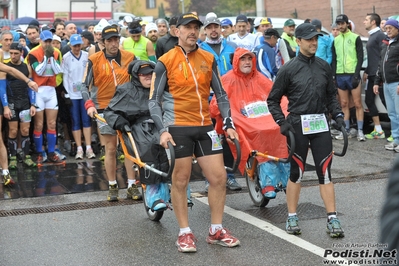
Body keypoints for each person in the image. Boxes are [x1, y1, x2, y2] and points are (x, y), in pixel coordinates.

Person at [149, 12, 240, 253]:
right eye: (187, 27)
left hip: (204, 127)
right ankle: (185, 233)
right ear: (176, 31)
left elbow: (220, 94)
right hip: (177, 128)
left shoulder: (208, 58)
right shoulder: (165, 61)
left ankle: (216, 229)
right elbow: (153, 101)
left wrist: (228, 123)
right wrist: (162, 131)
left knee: (219, 178)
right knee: (180, 180)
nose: (192, 31)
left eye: (195, 27)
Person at [267, 23, 345, 238]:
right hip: (297, 125)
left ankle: (332, 217)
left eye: (316, 39)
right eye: (309, 39)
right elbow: (272, 100)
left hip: (320, 124)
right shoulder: (288, 68)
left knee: (325, 172)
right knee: (297, 172)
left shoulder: (323, 66)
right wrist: (282, 122)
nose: (314, 42)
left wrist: (337, 116)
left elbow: (331, 95)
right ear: (298, 41)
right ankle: (292, 215)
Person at [210, 47, 289, 199]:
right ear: (236, 62)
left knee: (280, 126)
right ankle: (267, 179)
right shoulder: (227, 79)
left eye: (249, 59)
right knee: (256, 132)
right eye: (243, 59)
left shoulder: (259, 77)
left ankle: (285, 173)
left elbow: (275, 94)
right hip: (241, 119)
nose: (247, 62)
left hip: (263, 117)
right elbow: (216, 105)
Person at [81, 25, 140, 201]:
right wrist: (89, 104)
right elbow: (84, 85)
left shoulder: (130, 57)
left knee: (129, 147)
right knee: (111, 148)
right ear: (102, 42)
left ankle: (131, 185)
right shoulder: (94, 59)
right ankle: (113, 185)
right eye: (109, 40)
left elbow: (140, 79)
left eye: (116, 39)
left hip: (127, 108)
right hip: (104, 109)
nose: (114, 44)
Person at [104, 60, 169, 211]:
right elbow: (110, 111)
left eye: (151, 73)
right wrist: (120, 122)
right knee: (149, 147)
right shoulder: (126, 90)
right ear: (136, 76)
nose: (148, 76)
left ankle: (180, 190)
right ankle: (153, 195)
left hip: (161, 124)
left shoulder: (161, 87)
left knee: (179, 145)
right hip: (139, 126)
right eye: (144, 74)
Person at [199, 14, 240, 192]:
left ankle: (229, 176)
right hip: (208, 101)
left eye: (216, 27)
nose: (213, 30)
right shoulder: (199, 49)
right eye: (209, 27)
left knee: (229, 138)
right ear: (205, 30)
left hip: (230, 100)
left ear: (220, 28)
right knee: (211, 140)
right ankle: (210, 177)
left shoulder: (232, 47)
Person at [0, 45, 38, 185]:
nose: (13, 56)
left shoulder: (26, 67)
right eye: (11, 53)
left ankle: (26, 155)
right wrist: (5, 106)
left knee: (25, 130)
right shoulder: (5, 67)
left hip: (24, 103)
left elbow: (30, 86)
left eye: (16, 53)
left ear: (21, 53)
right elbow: (2, 87)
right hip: (11, 103)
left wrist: (33, 103)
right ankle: (13, 157)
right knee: (13, 130)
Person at [27, 30, 64, 164]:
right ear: (40, 41)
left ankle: (51, 152)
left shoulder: (56, 52)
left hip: (51, 90)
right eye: (45, 41)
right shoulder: (33, 53)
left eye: (50, 41)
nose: (48, 44)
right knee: (38, 124)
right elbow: (39, 71)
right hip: (38, 90)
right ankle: (40, 152)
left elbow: (58, 70)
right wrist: (47, 58)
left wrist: (51, 58)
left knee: (52, 123)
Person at [332, 14, 365, 141]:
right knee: (344, 104)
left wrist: (357, 74)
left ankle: (360, 131)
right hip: (340, 75)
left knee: (357, 104)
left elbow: (360, 57)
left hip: (352, 74)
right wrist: (334, 75)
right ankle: (345, 130)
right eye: (338, 24)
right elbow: (334, 59)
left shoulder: (355, 37)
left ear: (347, 24)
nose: (340, 26)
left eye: (342, 23)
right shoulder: (336, 40)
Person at [62, 34, 95, 159]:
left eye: (78, 45)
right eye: (74, 45)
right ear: (70, 45)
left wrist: (89, 89)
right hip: (73, 94)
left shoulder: (86, 56)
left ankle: (89, 147)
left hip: (84, 93)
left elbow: (90, 74)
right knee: (75, 120)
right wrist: (67, 93)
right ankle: (79, 148)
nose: (77, 48)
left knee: (87, 120)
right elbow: (65, 76)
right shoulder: (66, 57)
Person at [374, 19, 399, 152]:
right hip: (387, 84)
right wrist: (377, 82)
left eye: (391, 28)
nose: (387, 30)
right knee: (392, 114)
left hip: (397, 84)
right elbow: (380, 64)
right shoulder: (385, 44)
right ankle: (396, 139)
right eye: (386, 28)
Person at [363, 13, 387, 140]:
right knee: (369, 100)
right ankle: (378, 130)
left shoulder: (380, 36)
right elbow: (372, 57)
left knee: (387, 103)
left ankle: (396, 132)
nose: (364, 22)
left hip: (379, 76)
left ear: (373, 22)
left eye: (366, 20)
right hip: (371, 75)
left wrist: (380, 74)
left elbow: (382, 56)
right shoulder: (372, 36)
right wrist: (366, 71)